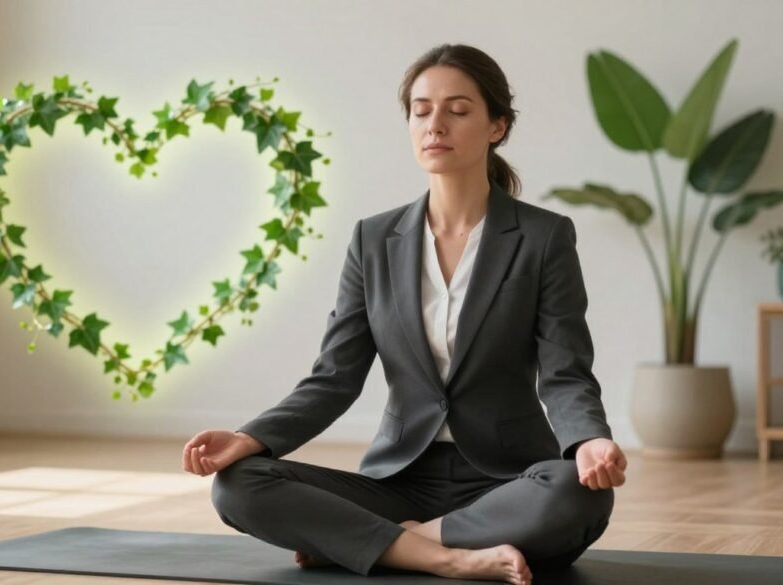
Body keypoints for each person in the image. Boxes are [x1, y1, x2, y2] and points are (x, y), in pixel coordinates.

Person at [181, 43, 626, 585]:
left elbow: (565, 372)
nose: (435, 124)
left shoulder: (542, 236)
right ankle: (447, 556)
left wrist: (589, 442)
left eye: (457, 110)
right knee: (236, 484)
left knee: (578, 494)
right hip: (397, 483)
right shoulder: (373, 239)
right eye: (421, 110)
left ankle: (375, 544)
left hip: (508, 483)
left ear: (496, 127)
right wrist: (248, 439)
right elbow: (333, 379)